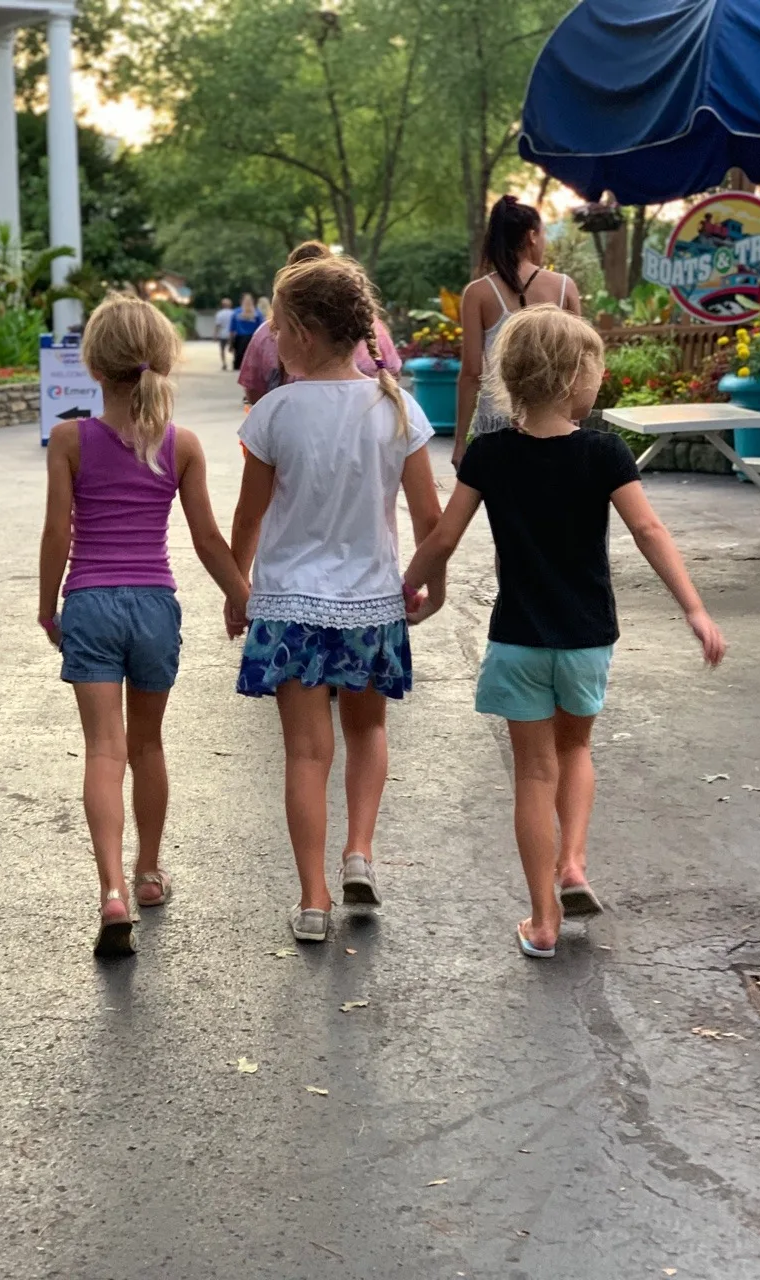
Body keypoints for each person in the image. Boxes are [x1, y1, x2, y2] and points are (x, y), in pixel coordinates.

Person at [403, 305, 725, 959]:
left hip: (517, 639)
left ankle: (543, 920)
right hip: (586, 638)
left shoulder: (490, 454)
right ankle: (573, 863)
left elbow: (443, 537)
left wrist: (406, 590)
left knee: (533, 774)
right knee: (576, 750)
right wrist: (693, 607)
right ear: (576, 374)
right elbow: (648, 530)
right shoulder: (604, 452)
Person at [227, 255, 443, 943]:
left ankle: (314, 900)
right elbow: (429, 516)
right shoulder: (396, 407)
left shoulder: (274, 413)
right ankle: (359, 853)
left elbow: (249, 517)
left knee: (305, 754)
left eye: (275, 324)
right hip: (372, 602)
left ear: (302, 333)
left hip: (288, 605)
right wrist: (429, 580)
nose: (270, 335)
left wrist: (238, 588)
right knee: (368, 731)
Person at [38, 294, 249, 959]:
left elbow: (56, 533)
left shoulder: (70, 441)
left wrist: (47, 607)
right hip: (156, 606)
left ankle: (110, 892)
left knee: (103, 751)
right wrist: (241, 596)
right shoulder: (181, 444)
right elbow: (208, 539)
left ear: (93, 368)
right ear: (163, 362)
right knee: (147, 745)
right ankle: (149, 872)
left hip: (91, 604)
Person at [453, 195, 582, 466]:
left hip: (497, 424)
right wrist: (575, 421)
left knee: (501, 494)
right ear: (532, 236)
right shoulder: (564, 287)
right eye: (543, 234)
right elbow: (579, 363)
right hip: (554, 422)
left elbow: (472, 373)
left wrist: (460, 442)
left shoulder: (478, 293)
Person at [238, 240, 402, 405]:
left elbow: (253, 390)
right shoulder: (368, 325)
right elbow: (392, 372)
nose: (277, 333)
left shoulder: (267, 333)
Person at [230, 293, 264, 371]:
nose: (248, 302)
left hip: (253, 338)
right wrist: (231, 342)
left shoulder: (257, 314)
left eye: (250, 300)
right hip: (240, 338)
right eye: (246, 300)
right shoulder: (236, 312)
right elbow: (232, 329)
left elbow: (261, 327)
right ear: (241, 301)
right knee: (239, 356)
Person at [214, 296, 235, 371]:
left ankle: (224, 363)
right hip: (232, 334)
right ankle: (234, 362)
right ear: (230, 305)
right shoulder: (233, 313)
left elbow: (217, 325)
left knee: (222, 350)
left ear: (222, 305)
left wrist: (215, 335)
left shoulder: (219, 314)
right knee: (234, 350)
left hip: (223, 335)